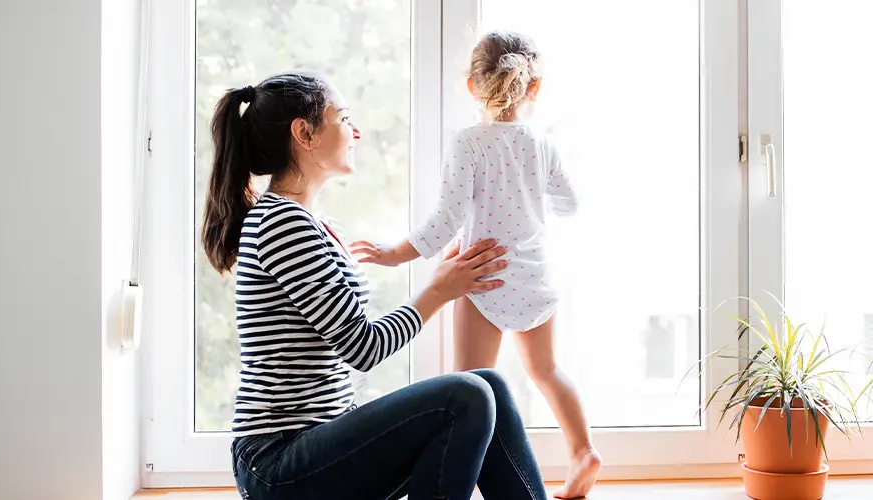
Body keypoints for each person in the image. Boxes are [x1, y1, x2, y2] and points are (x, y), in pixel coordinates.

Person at [200, 71, 547, 500]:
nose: (357, 131)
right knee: (467, 395)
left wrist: (444, 279)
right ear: (303, 133)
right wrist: (439, 290)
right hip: (278, 463)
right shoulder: (281, 224)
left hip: (316, 443)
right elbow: (363, 348)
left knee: (487, 384)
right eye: (344, 118)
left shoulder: (313, 223)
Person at [356, 31, 600, 499]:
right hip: (535, 276)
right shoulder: (541, 144)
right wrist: (530, 194)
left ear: (472, 86)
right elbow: (570, 203)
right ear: (535, 88)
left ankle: (459, 483)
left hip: (482, 277)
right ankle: (583, 450)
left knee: (470, 390)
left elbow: (445, 221)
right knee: (547, 370)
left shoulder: (468, 144)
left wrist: (393, 254)